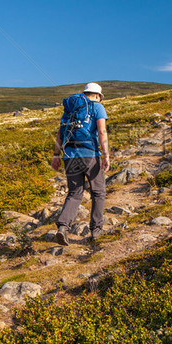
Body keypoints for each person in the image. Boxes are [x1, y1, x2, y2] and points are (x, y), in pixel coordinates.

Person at [51, 82, 110, 246]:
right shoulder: (97, 107)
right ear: (97, 96)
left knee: (75, 193)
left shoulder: (69, 111)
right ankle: (96, 230)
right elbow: (102, 131)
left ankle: (63, 228)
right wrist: (106, 155)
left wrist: (56, 155)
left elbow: (60, 133)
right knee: (98, 192)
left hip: (69, 155)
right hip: (90, 154)